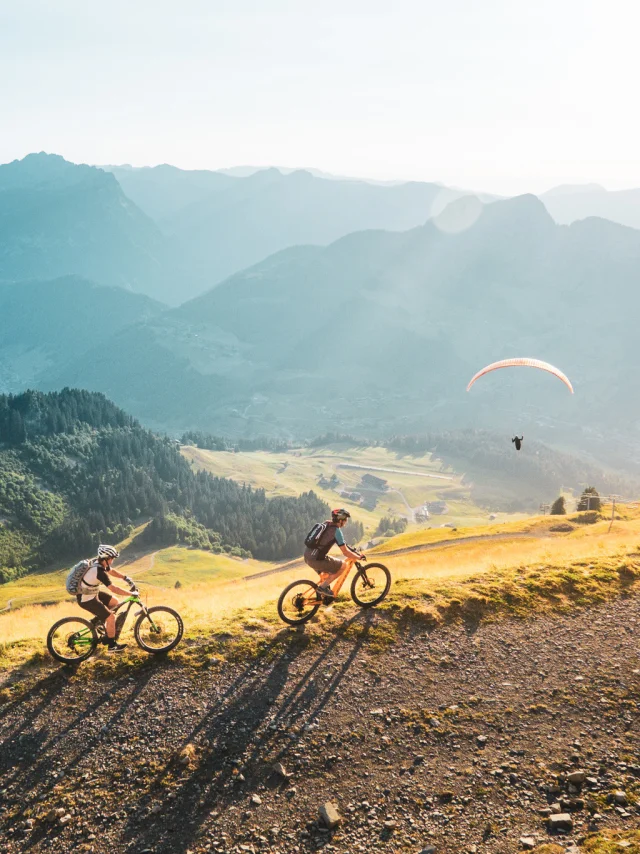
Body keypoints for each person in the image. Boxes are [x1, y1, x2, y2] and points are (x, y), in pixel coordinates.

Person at [77, 545, 135, 652]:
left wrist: (125, 578)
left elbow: (111, 570)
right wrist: (130, 594)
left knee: (115, 602)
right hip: (86, 599)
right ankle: (112, 646)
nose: (113, 560)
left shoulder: (98, 562)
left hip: (91, 593)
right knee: (111, 617)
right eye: (112, 558)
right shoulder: (99, 572)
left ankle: (98, 623)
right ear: (106, 558)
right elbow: (113, 588)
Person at [304, 508, 365, 601]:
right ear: (340, 520)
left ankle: (325, 598)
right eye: (345, 520)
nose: (346, 522)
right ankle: (322, 588)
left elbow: (342, 543)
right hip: (316, 560)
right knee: (343, 566)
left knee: (328, 572)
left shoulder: (326, 523)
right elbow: (345, 552)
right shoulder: (336, 531)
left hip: (308, 556)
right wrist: (358, 557)